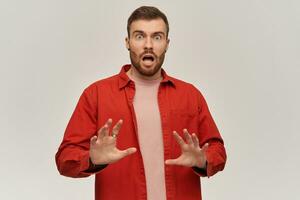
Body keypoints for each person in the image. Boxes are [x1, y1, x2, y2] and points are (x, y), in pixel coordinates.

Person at [55, 6, 226, 200]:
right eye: (139, 36)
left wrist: (203, 160)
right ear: (127, 42)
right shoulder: (96, 94)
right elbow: (64, 159)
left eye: (157, 37)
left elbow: (218, 150)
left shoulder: (190, 95)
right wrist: (92, 159)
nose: (148, 45)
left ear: (167, 44)